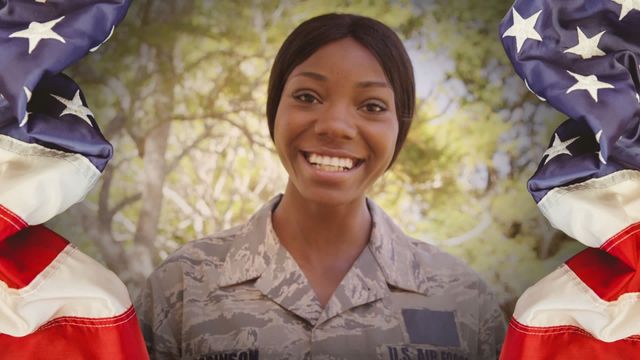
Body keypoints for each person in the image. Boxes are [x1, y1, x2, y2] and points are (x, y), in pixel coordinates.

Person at [136, 13, 505, 360]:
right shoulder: (183, 285)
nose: (335, 126)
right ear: (274, 110)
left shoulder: (462, 298)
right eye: (307, 97)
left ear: (399, 129)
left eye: (372, 106)